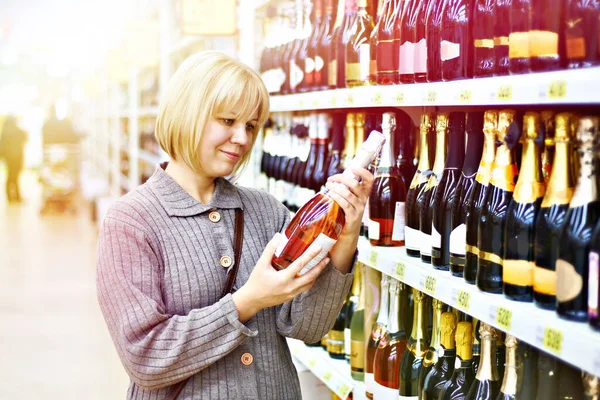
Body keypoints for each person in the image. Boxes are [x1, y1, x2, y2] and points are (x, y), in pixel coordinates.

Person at [96, 51, 374, 399]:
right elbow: (146, 358)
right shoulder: (132, 221)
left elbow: (309, 326)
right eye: (227, 121)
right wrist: (248, 301)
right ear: (186, 114)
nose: (242, 138)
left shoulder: (265, 210)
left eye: (250, 126)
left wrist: (346, 237)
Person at [0, 116, 28, 203]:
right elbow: (25, 136)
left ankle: (10, 197)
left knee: (10, 177)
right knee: (15, 177)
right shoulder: (17, 131)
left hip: (9, 158)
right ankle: (17, 197)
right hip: (17, 157)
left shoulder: (5, 132)